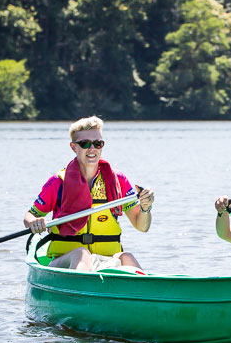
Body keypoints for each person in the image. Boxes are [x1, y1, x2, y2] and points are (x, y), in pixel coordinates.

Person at [23, 116, 155, 272]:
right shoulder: (57, 182)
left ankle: (144, 292)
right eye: (85, 144)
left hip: (105, 260)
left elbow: (142, 226)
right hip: (64, 261)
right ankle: (81, 290)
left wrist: (145, 208)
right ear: (73, 147)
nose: (92, 149)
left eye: (98, 143)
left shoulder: (118, 180)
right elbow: (30, 215)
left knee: (127, 257)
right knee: (81, 253)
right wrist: (34, 222)